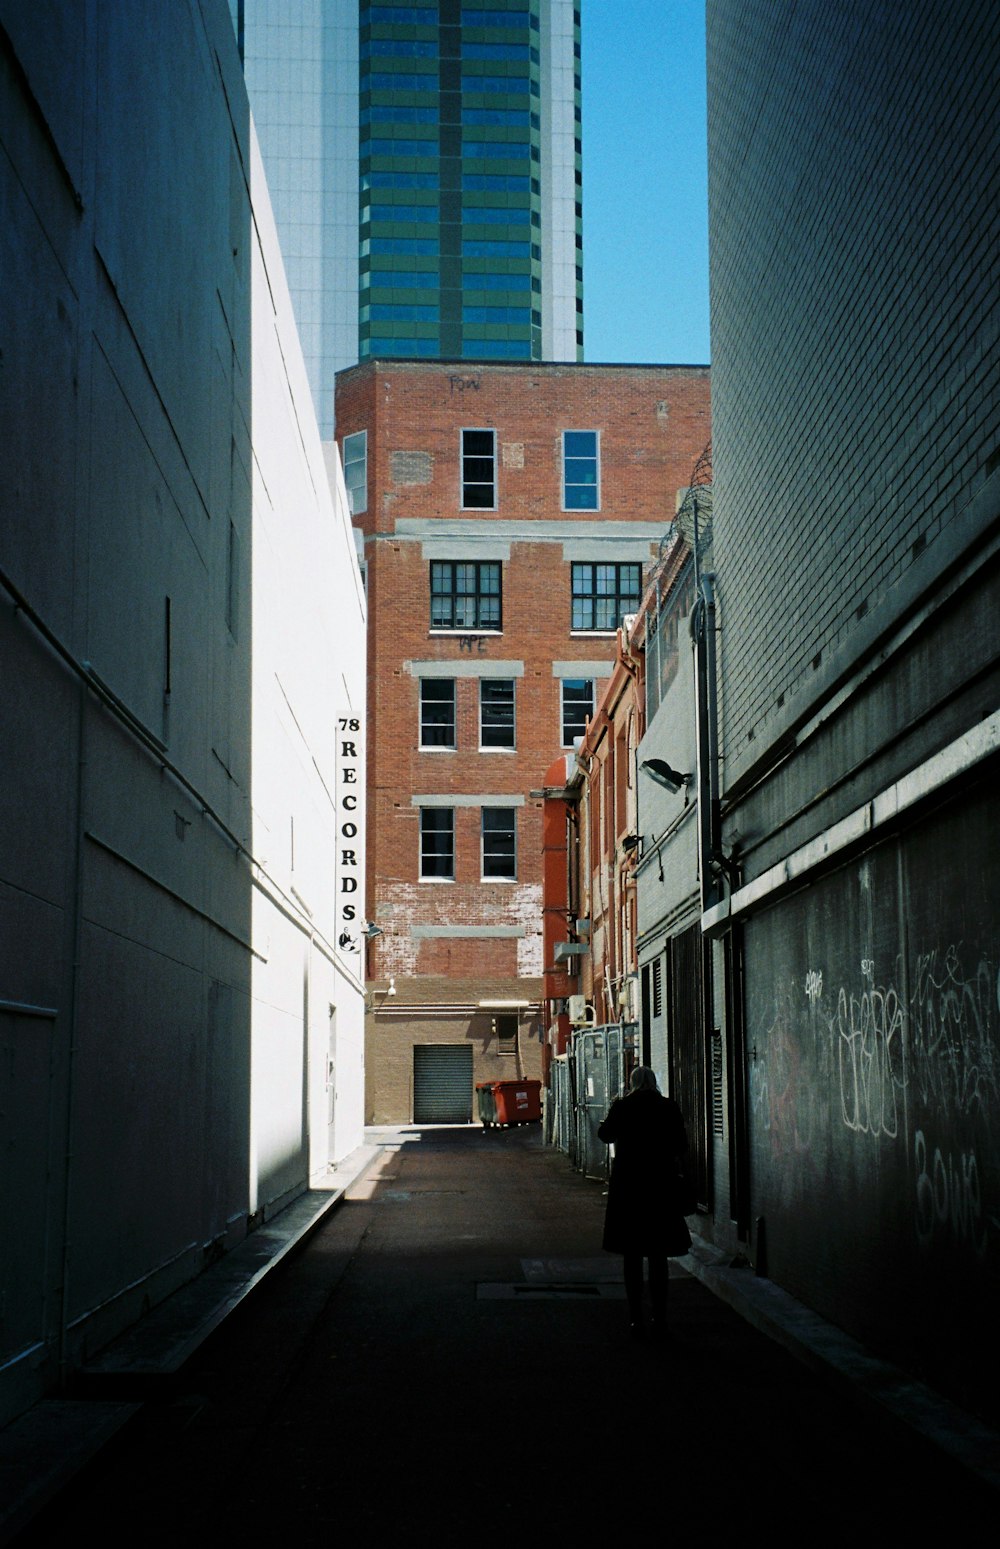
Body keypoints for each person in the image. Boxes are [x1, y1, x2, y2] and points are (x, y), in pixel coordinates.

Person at [598, 1065, 691, 1339]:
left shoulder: (623, 1106)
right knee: (658, 1254)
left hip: (629, 1188)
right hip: (660, 1187)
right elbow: (681, 1145)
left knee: (632, 1254)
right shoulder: (668, 1107)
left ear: (632, 1083)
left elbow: (605, 1136)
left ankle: (635, 1316)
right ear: (654, 1082)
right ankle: (659, 1316)